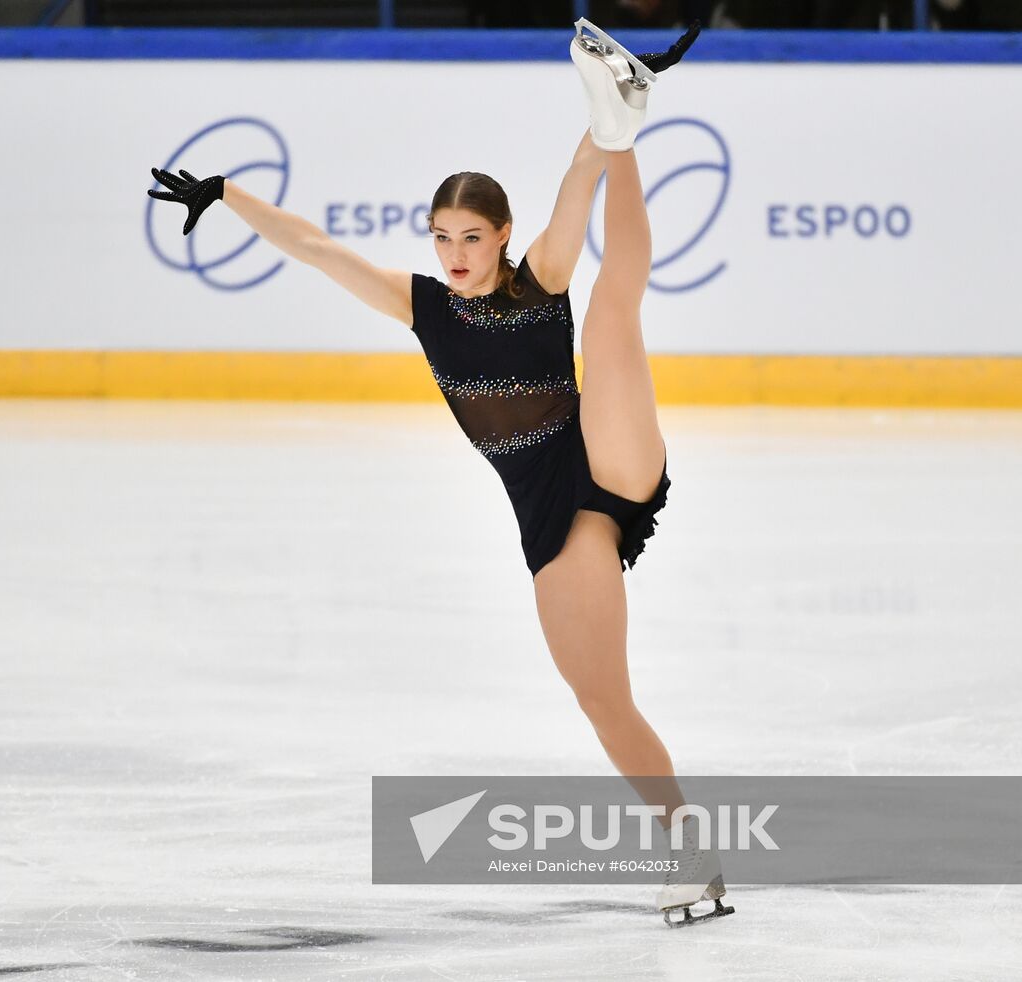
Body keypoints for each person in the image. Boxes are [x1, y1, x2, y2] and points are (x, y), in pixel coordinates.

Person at [146, 18, 731, 929]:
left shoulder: (539, 275)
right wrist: (226, 192)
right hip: (557, 523)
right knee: (600, 697)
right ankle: (689, 844)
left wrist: (608, 138)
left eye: (470, 236)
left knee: (613, 305)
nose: (454, 253)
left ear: (501, 236)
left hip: (610, 456)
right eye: (440, 236)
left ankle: (625, 119)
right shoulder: (423, 309)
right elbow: (317, 249)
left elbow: (577, 187)